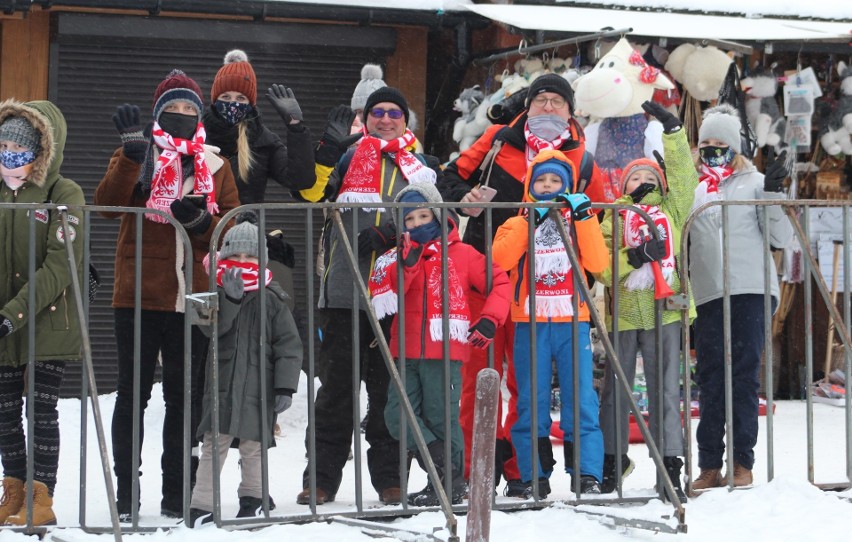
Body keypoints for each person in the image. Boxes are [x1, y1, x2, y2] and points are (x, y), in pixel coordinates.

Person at [438, 74, 606, 495]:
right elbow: (449, 179)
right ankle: (472, 470)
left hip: (546, 293)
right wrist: (467, 197)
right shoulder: (498, 138)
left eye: (557, 102)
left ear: (571, 111)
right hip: (488, 275)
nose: (549, 108)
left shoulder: (583, 157)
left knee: (523, 385)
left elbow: (599, 215)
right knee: (480, 376)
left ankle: (521, 472)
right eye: (541, 100)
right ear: (527, 106)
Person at [94, 69, 241, 520]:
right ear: (158, 114)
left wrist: (200, 224)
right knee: (131, 395)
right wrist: (131, 157)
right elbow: (104, 206)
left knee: (183, 398)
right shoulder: (140, 153)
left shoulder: (215, 164)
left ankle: (176, 492)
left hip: (192, 297)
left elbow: (236, 226)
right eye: (172, 109)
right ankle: (126, 493)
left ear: (200, 116)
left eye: (189, 109)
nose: (181, 115)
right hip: (138, 293)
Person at [298, 87, 441, 506]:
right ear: (368, 116)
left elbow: (441, 223)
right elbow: (309, 193)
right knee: (336, 392)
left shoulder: (425, 166)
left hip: (398, 294)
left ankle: (389, 478)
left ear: (406, 120)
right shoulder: (347, 156)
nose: (386, 118)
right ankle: (321, 479)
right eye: (378, 112)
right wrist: (326, 149)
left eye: (394, 112)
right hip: (345, 289)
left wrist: (394, 234)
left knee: (388, 393)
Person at [369, 183, 511, 506]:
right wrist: (410, 262)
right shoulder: (398, 257)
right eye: (409, 219)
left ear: (437, 214)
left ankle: (445, 484)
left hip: (444, 351)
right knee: (396, 414)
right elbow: (394, 292)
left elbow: (499, 281)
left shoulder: (462, 254)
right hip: (404, 349)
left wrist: (490, 318)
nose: (417, 223)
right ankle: (448, 474)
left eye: (423, 215)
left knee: (441, 417)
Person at [596, 101, 697, 501]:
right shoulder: (613, 215)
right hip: (623, 310)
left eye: (647, 174)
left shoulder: (671, 207)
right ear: (622, 186)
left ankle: (670, 464)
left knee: (666, 390)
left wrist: (673, 133)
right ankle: (611, 460)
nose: (640, 180)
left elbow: (685, 180)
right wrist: (633, 257)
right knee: (615, 391)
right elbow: (601, 263)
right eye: (633, 175)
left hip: (665, 309)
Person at [492, 150, 609, 496]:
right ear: (529, 186)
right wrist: (532, 219)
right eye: (540, 180)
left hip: (573, 320)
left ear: (567, 185)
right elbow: (500, 259)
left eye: (555, 181)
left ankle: (586, 473)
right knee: (531, 399)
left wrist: (584, 218)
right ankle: (533, 474)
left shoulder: (577, 221)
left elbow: (599, 262)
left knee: (581, 398)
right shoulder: (516, 221)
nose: (547, 187)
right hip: (529, 320)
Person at [689, 104, 791, 490]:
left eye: (721, 143)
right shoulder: (696, 189)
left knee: (743, 375)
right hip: (709, 292)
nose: (713, 150)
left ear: (736, 147)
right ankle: (709, 464)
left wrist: (775, 193)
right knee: (711, 377)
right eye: (707, 144)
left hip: (750, 288)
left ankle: (742, 462)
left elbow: (779, 238)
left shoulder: (756, 182)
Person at [0, 100, 84, 527]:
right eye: (4, 141)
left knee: (42, 410)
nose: (9, 150)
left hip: (49, 320)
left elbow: (60, 264)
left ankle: (41, 499)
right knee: (4, 409)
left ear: (42, 151)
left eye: (19, 144)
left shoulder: (62, 192)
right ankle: (13, 492)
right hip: (4, 325)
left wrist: (13, 313)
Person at [188, 213, 302, 527]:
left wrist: (285, 387)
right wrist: (231, 300)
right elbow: (207, 330)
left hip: (259, 387)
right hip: (221, 384)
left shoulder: (273, 298)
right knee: (214, 444)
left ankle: (254, 497)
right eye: (235, 255)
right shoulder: (213, 291)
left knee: (254, 447)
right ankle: (201, 504)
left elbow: (289, 346)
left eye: (250, 255)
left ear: (262, 259)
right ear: (223, 257)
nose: (242, 261)